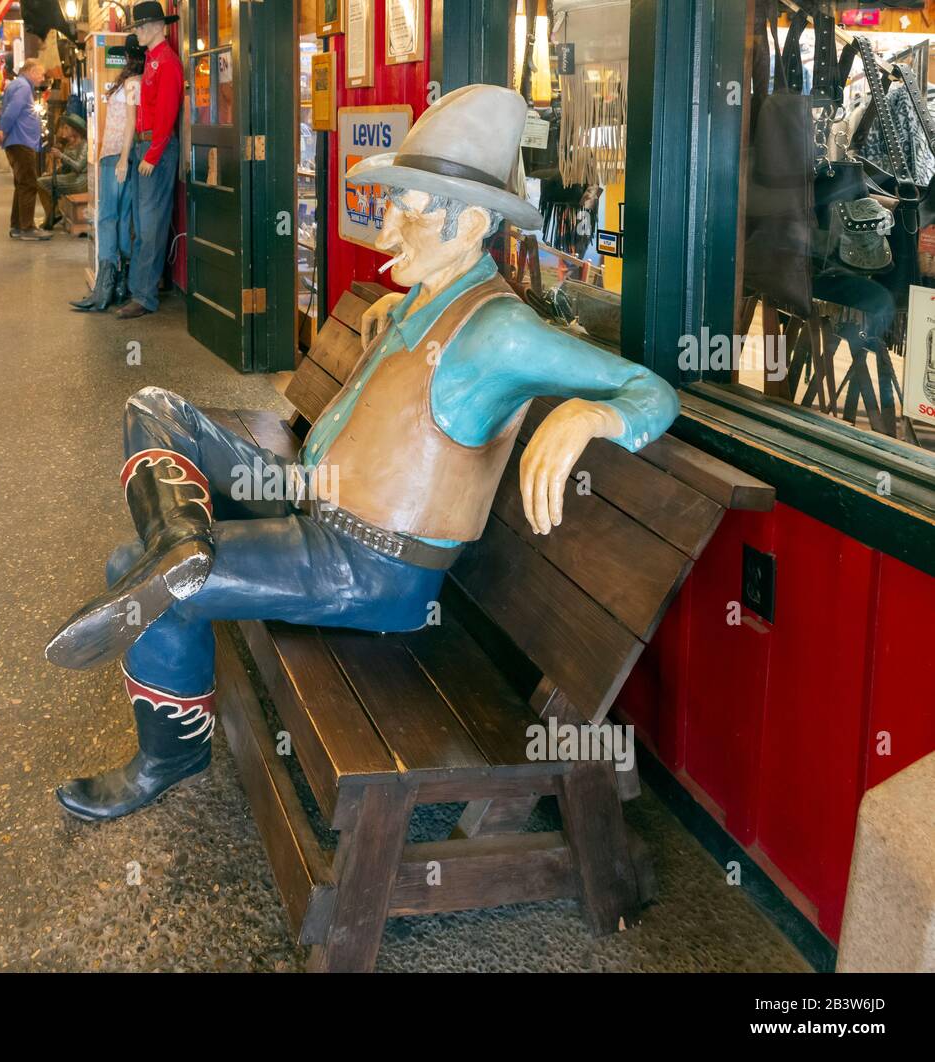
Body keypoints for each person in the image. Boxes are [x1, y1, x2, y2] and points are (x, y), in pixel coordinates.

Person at [42, 85, 682, 821]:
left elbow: (650, 390)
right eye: (396, 202)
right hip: (317, 498)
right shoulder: (423, 297)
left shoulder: (501, 330)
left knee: (140, 578)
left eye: (411, 210)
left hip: (370, 564)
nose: (388, 230)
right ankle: (182, 543)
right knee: (153, 408)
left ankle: (173, 747)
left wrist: (588, 418)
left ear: (471, 222)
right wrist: (399, 316)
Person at [115, 1, 182, 320]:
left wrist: (153, 153)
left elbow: (167, 113)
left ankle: (144, 295)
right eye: (137, 27)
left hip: (155, 149)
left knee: (150, 225)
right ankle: (140, 289)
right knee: (143, 225)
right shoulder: (155, 60)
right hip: (147, 148)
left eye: (142, 26)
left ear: (158, 26)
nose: (138, 32)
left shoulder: (166, 62)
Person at [72, 35, 144, 312]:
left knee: (107, 218)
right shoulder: (134, 81)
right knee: (122, 218)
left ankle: (104, 287)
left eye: (125, 54)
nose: (124, 58)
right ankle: (118, 285)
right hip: (120, 154)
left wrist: (123, 158)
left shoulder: (133, 82)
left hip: (116, 154)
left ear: (130, 56)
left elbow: (131, 122)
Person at [0, 59, 51, 241]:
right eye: (40, 73)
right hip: (21, 141)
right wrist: (2, 130)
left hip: (18, 140)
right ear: (30, 71)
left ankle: (18, 225)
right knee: (28, 183)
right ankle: (26, 228)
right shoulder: (22, 87)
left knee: (22, 184)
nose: (42, 78)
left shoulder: (18, 85)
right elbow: (12, 111)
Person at [36, 115, 88, 232]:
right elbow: (66, 169)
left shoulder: (84, 145)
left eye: (66, 128)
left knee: (41, 183)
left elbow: (78, 167)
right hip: (72, 176)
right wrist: (52, 173)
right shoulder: (69, 145)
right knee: (43, 181)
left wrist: (61, 155)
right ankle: (53, 214)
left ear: (74, 130)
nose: (63, 131)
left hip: (80, 180)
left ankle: (53, 215)